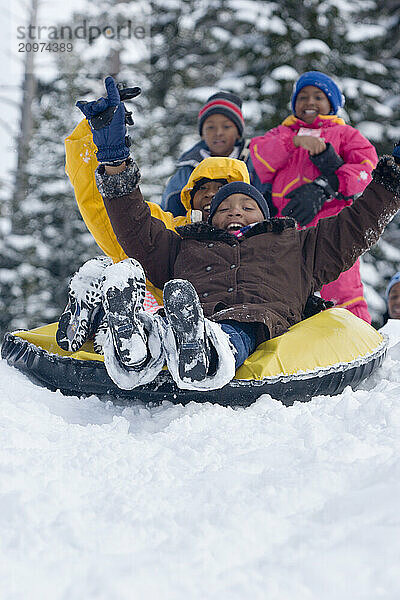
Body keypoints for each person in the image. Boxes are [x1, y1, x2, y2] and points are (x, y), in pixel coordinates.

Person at [67, 76, 400, 392]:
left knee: (239, 327)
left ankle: (205, 353)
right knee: (163, 312)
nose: (235, 211)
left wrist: (393, 180)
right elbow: (134, 226)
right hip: (189, 311)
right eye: (223, 209)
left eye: (246, 205)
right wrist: (115, 161)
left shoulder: (298, 246)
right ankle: (137, 348)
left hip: (254, 321)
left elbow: (357, 224)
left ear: (266, 214)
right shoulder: (184, 244)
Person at [249, 71, 378, 323]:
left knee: (340, 283)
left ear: (332, 104)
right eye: (303, 96)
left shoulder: (344, 134)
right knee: (288, 286)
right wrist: (294, 142)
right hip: (288, 225)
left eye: (318, 96)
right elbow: (260, 158)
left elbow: (366, 167)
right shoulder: (282, 133)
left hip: (333, 222)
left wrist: (326, 185)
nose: (309, 102)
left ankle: (355, 333)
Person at [161, 91, 271, 216]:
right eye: (210, 127)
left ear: (238, 133)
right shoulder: (187, 169)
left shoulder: (255, 164)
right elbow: (169, 212)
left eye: (226, 127)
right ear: (202, 133)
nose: (218, 132)